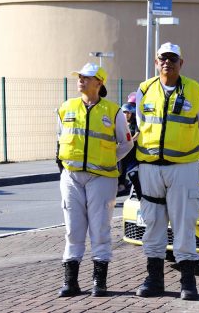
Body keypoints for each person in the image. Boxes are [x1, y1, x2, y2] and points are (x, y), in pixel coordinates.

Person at [134, 42, 199, 300]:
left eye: (173, 58)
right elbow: (141, 123)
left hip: (183, 168)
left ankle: (188, 283)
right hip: (150, 168)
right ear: (156, 62)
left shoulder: (196, 91)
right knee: (153, 223)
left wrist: (183, 150)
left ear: (182, 63)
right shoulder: (145, 89)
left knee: (184, 223)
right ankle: (154, 279)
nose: (167, 62)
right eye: (162, 58)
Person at [56, 62, 134, 297]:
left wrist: (110, 160)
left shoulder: (113, 111)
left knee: (100, 229)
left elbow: (126, 142)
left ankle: (99, 282)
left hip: (102, 177)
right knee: (73, 228)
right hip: (71, 176)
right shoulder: (66, 108)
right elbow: (60, 138)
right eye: (80, 76)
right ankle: (71, 282)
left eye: (87, 77)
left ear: (99, 82)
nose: (81, 80)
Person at [117, 102, 138, 195]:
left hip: (133, 150)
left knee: (124, 160)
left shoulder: (135, 123)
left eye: (128, 113)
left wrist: (129, 143)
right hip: (123, 149)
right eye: (124, 112)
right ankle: (119, 183)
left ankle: (123, 185)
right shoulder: (120, 124)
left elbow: (137, 135)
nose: (126, 115)